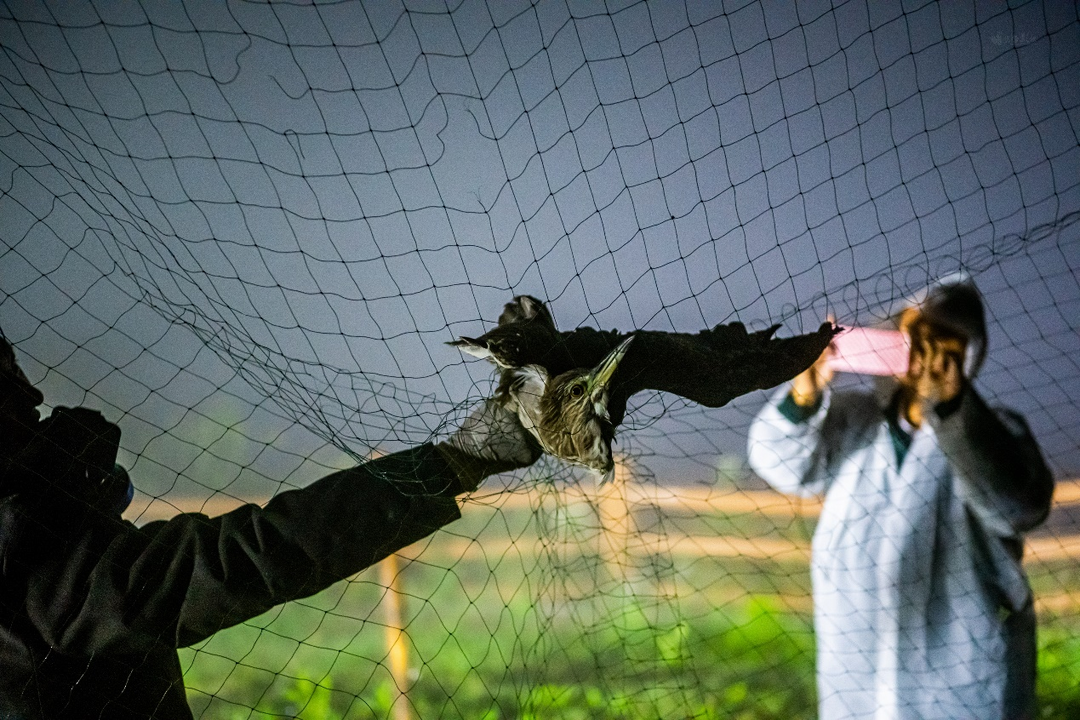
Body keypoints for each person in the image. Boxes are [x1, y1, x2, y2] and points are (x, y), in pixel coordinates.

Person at [0, 335, 541, 719]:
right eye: (11, 388)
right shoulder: (31, 560)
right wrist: (459, 460)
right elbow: (247, 556)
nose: (35, 399)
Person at [747, 279, 1054, 720]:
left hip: (962, 668)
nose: (921, 348)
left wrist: (951, 407)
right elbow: (778, 463)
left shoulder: (996, 430)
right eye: (911, 333)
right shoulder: (855, 418)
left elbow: (1019, 506)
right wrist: (804, 395)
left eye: (938, 337)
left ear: (966, 351)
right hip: (857, 661)